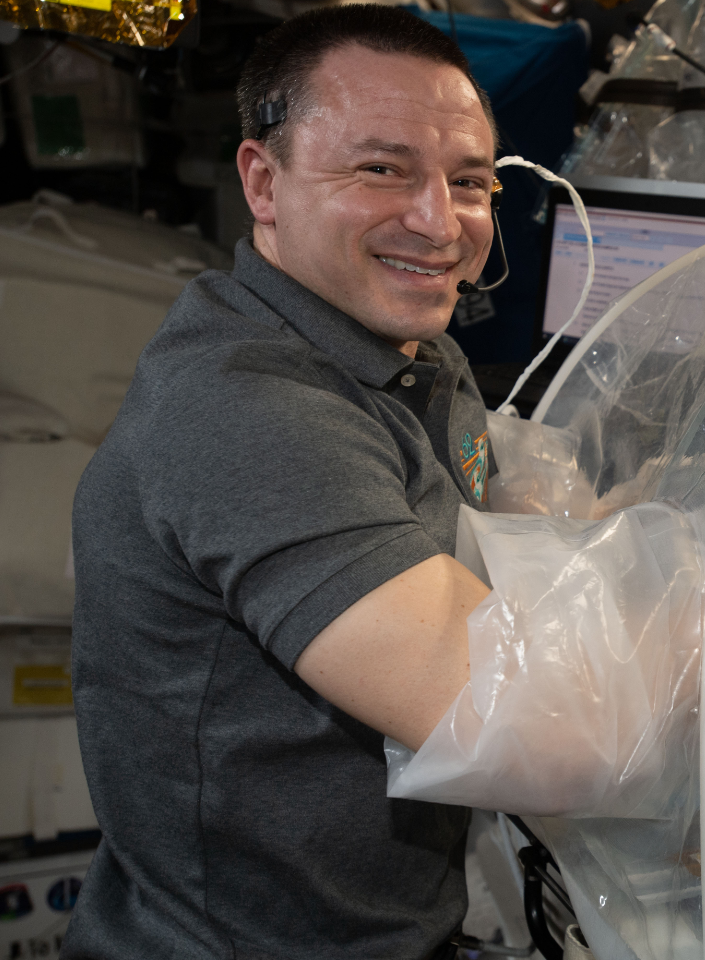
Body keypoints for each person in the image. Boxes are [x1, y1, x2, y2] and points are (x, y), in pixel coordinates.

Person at [65, 7, 505, 957]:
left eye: (468, 182)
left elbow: (517, 530)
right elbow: (506, 712)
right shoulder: (249, 408)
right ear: (264, 181)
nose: (440, 222)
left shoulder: (406, 348)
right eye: (382, 170)